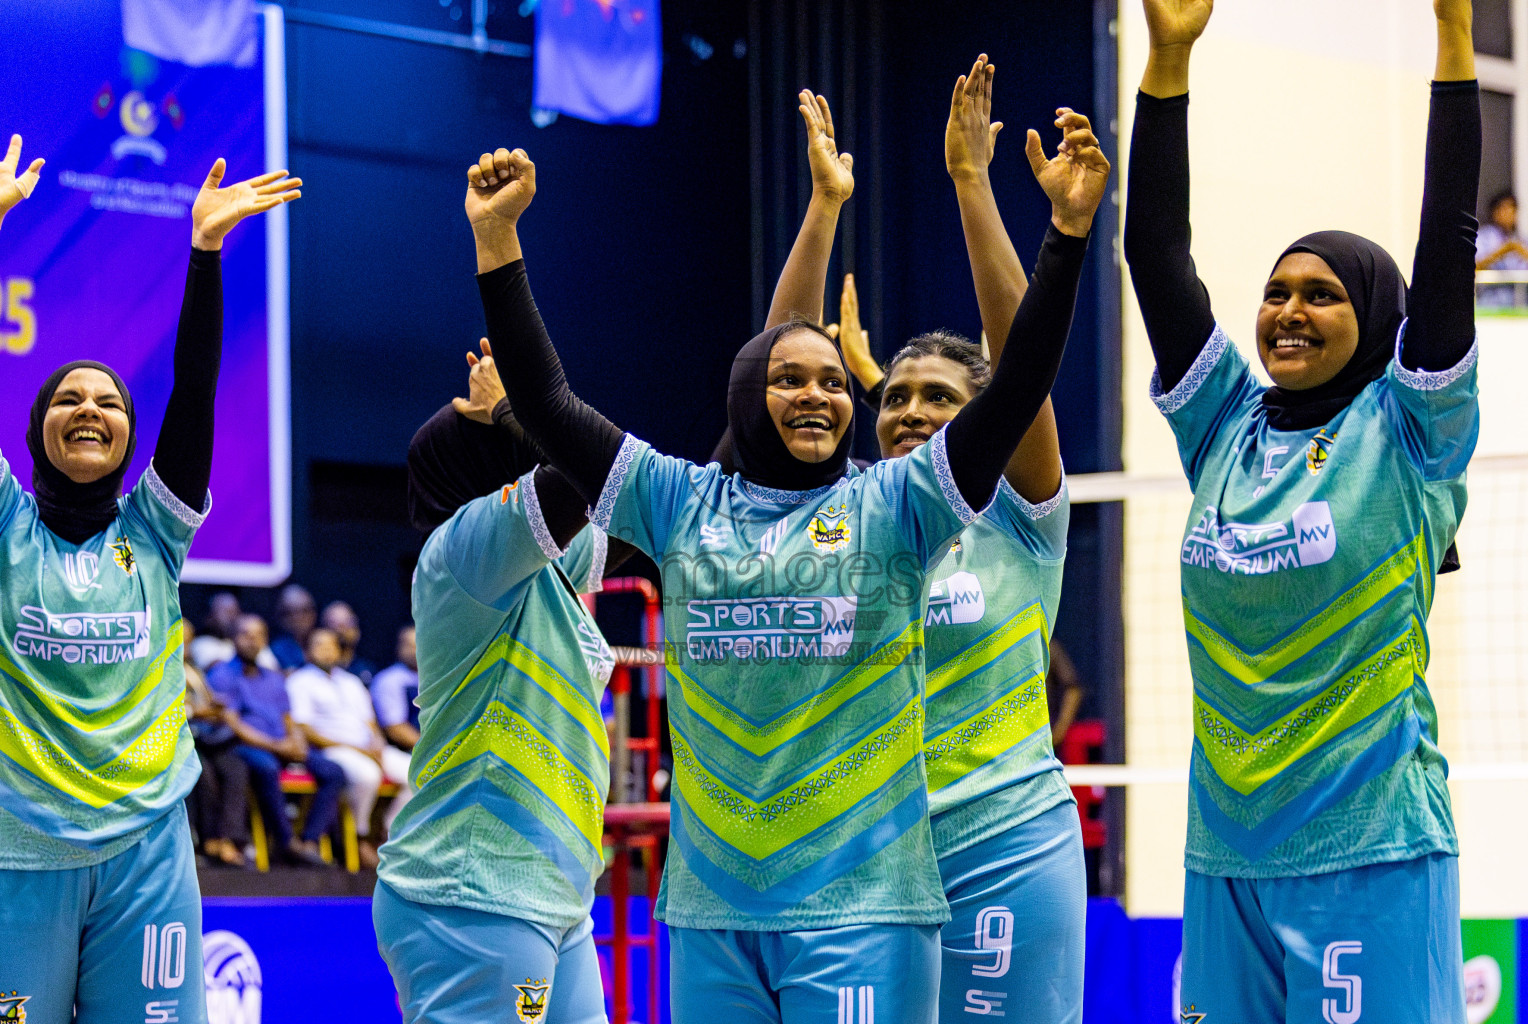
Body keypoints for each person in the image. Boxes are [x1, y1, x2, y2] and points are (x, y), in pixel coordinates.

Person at [472, 66, 1104, 1022]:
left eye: (839, 384)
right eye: (890, 392)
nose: (832, 396)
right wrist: (498, 246)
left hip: (936, 864)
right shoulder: (694, 503)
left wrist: (1048, 229)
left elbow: (1018, 385)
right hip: (738, 897)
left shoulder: (915, 507)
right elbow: (592, 403)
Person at [1125, 1, 1478, 1019]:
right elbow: (1155, 255)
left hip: (1370, 847)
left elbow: (1449, 240)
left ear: (1374, 317)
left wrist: (1454, 40)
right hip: (1226, 850)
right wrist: (1168, 62)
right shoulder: (1225, 425)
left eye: (1321, 293)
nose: (1287, 309)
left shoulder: (1411, 431)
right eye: (1277, 290)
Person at [0, 133, 298, 1023]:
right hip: (19, 854)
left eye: (108, 401)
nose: (89, 407)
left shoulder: (155, 531)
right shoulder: (8, 524)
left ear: (131, 439)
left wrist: (204, 254)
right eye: (67, 398)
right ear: (38, 429)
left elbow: (195, 388)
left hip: (146, 856)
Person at [821, 59, 1093, 1024]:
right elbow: (773, 390)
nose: (911, 412)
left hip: (1006, 851)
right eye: (894, 399)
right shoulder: (854, 524)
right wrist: (823, 218)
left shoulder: (1018, 514)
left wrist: (973, 184)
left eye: (941, 398)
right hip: (870, 860)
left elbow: (1019, 362)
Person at [373, 346, 625, 1024]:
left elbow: (644, 501)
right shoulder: (466, 548)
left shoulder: (539, 566)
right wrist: (520, 411)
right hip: (474, 891)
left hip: (548, 892)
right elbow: (587, 477)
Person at [211, 614, 339, 867]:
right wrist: (278, 747)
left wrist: (296, 742)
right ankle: (286, 842)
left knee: (334, 771)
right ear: (233, 638)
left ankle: (310, 840)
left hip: (282, 745)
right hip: (244, 746)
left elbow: (288, 717)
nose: (252, 641)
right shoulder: (223, 674)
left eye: (258, 636)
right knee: (268, 766)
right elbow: (233, 723)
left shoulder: (274, 677)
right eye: (245, 635)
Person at [286, 628, 412, 867]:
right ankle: (359, 836)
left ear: (339, 650)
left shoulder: (351, 681)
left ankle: (389, 834)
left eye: (330, 645)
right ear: (307, 651)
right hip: (331, 748)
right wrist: (355, 748)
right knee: (367, 775)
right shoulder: (300, 681)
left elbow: (370, 721)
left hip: (366, 747)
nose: (325, 650)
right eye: (318, 645)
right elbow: (304, 728)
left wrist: (377, 743)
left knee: (417, 773)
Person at [184, 621, 250, 868]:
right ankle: (208, 839)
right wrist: (200, 711)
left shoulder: (194, 670)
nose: (185, 645)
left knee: (235, 768)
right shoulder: (161, 668)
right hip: (180, 739)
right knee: (203, 773)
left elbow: (208, 699)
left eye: (188, 640)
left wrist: (216, 705)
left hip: (204, 735)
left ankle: (230, 838)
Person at [1474, 190, 1528, 307]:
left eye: (1512, 208)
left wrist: (1523, 253)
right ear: (1494, 212)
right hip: (1488, 305)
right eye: (1503, 208)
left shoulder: (1523, 241)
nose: (1508, 213)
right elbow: (1473, 266)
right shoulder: (1484, 237)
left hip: (1520, 307)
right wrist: (1503, 251)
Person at [372, 625, 420, 751]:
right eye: (410, 645)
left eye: (419, 645)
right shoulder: (388, 679)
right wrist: (432, 750)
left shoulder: (435, 677)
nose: (415, 651)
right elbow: (395, 728)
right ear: (399, 647)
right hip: (407, 751)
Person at [322, 600, 375, 687]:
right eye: (335, 625)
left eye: (348, 624)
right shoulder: (317, 672)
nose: (342, 631)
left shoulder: (367, 669)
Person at [270, 583, 316, 671]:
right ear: (281, 617)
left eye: (305, 610)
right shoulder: (276, 650)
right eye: (290, 613)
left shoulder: (324, 641)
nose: (299, 618)